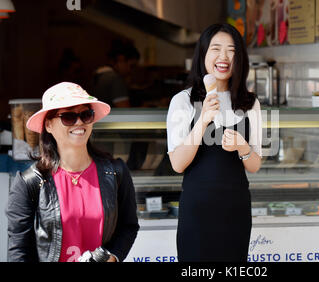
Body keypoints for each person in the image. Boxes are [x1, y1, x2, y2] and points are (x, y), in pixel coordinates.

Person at [6, 82, 139, 262]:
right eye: (68, 117)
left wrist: (111, 257)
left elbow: (128, 226)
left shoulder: (115, 172)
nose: (79, 123)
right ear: (48, 125)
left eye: (86, 115)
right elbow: (18, 251)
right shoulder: (29, 182)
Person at [166, 23, 263, 262]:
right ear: (203, 55)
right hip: (197, 209)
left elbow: (255, 165)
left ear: (239, 57)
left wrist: (243, 147)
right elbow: (178, 164)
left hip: (235, 209)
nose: (223, 57)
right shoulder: (183, 101)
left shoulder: (250, 103)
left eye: (231, 50)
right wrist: (203, 121)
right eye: (215, 49)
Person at [91, 39, 140, 108]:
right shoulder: (115, 79)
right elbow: (125, 111)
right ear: (121, 59)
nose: (130, 71)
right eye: (131, 66)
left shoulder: (99, 74)